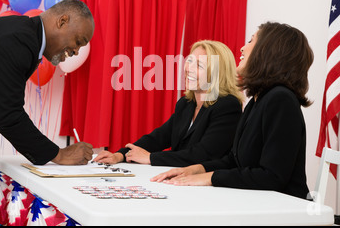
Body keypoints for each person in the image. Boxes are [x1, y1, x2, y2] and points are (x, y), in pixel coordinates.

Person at [0, 0, 95, 225]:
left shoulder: (24, 36)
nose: (75, 51)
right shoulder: (18, 39)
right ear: (62, 21)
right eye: (78, 42)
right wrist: (60, 154)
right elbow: (8, 116)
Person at [151, 22, 314, 200]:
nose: (242, 48)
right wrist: (197, 169)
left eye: (251, 41)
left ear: (268, 51)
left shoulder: (280, 99)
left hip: (285, 208)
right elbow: (234, 160)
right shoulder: (258, 100)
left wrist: (210, 178)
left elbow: (272, 177)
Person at [94, 40, 243, 166]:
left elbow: (203, 155)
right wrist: (120, 155)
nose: (188, 69)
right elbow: (158, 138)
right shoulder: (186, 104)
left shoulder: (228, 106)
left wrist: (150, 158)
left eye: (199, 66)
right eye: (189, 61)